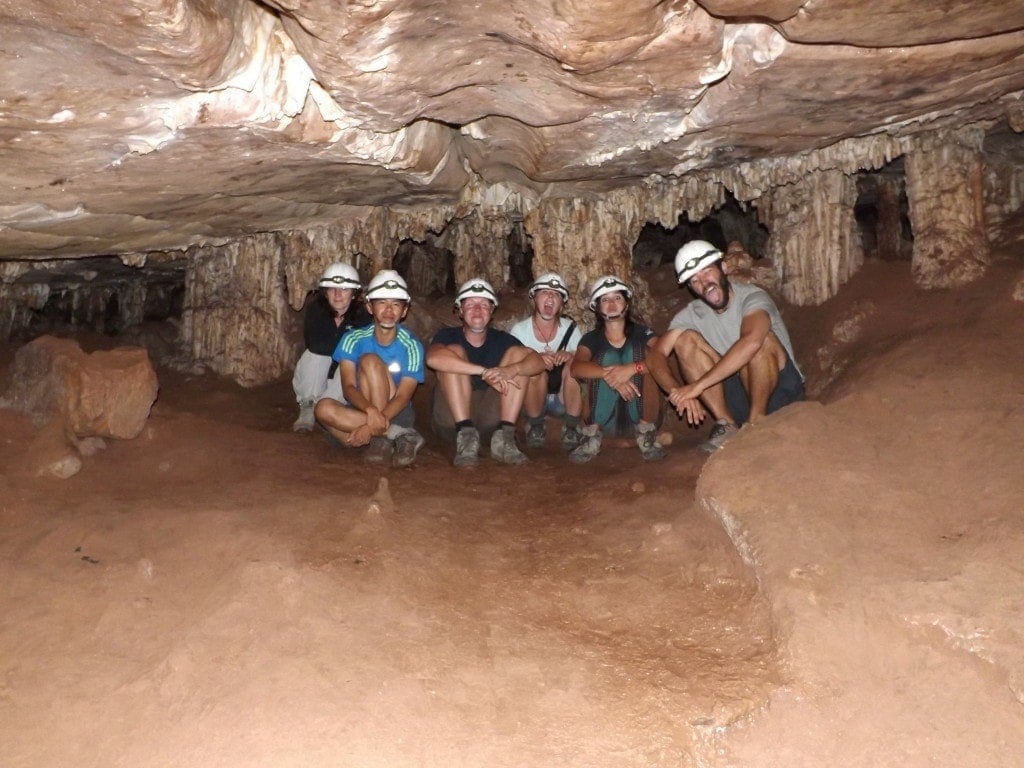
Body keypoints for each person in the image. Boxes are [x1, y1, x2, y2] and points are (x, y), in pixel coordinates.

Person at [658, 239, 805, 453]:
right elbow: (656, 354)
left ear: (724, 268)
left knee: (761, 340)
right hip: (742, 396)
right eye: (695, 280)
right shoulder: (693, 313)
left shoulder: (753, 297)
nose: (704, 283)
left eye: (707, 271)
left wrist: (696, 387)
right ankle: (727, 425)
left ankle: (756, 423)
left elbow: (751, 341)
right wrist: (676, 392)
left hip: (782, 391)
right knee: (685, 341)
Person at [427, 278, 545, 468]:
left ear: (491, 312)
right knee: (453, 352)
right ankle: (465, 436)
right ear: (460, 310)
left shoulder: (503, 340)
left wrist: (511, 370)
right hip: (452, 420)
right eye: (470, 304)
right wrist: (484, 372)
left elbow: (538, 362)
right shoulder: (447, 336)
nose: (477, 309)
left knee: (519, 357)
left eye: (483, 304)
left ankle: (504, 439)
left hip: (489, 421)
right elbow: (433, 359)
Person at [314, 270, 426, 467]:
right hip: (363, 407)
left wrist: (374, 420)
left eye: (396, 304)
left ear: (405, 311)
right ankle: (396, 435)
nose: (389, 310)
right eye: (382, 303)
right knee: (322, 409)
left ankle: (377, 437)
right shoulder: (352, 339)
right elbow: (348, 387)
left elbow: (403, 396)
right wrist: (370, 412)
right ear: (369, 306)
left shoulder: (412, 345)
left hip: (396, 410)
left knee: (369, 361)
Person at [568, 275, 685, 464]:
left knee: (642, 352)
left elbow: (662, 358)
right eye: (605, 300)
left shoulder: (643, 333)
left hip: (641, 417)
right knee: (606, 359)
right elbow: (576, 368)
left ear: (627, 304)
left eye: (617, 298)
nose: (612, 304)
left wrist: (632, 368)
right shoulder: (591, 338)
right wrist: (610, 374)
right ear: (597, 308)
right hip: (605, 423)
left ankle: (647, 434)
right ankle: (591, 436)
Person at [291, 262, 371, 432]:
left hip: (343, 379)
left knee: (350, 363)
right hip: (317, 375)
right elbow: (315, 344)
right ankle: (308, 406)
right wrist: (346, 348)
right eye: (332, 288)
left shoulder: (363, 316)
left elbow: (362, 351)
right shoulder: (316, 310)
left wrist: (344, 352)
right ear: (325, 292)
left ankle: (329, 408)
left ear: (354, 294)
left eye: (344, 289)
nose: (337, 294)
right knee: (315, 354)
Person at [509, 272, 584, 450]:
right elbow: (511, 366)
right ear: (534, 298)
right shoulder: (520, 331)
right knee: (536, 370)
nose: (550, 296)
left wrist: (571, 355)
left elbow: (585, 360)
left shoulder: (571, 329)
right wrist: (536, 359)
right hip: (532, 398)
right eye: (544, 292)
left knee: (575, 367)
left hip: (562, 398)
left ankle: (571, 426)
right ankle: (536, 425)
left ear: (561, 304)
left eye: (556, 294)